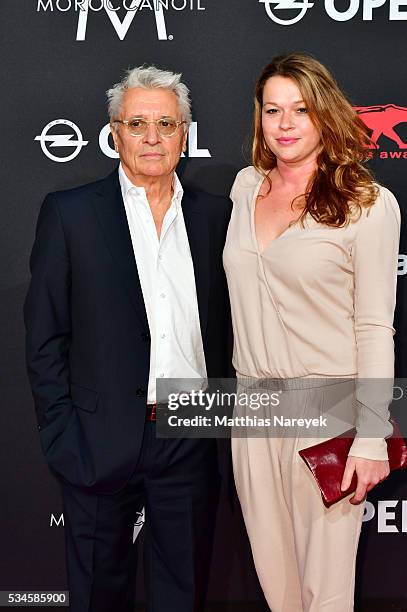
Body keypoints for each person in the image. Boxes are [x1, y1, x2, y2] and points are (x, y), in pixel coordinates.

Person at [24, 65, 232, 612]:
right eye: (137, 123)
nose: (152, 137)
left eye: (166, 123)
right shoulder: (69, 214)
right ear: (114, 132)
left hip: (190, 436)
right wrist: (62, 434)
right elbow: (45, 336)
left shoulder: (216, 216)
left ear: (186, 132)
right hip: (96, 440)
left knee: (183, 594)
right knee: (97, 597)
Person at [223, 53, 400, 611]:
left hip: (327, 411)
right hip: (252, 409)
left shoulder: (367, 205)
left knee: (324, 593)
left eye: (300, 109)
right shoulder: (244, 187)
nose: (285, 123)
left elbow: (375, 327)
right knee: (277, 587)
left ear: (324, 113)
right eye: (272, 109)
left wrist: (371, 437)